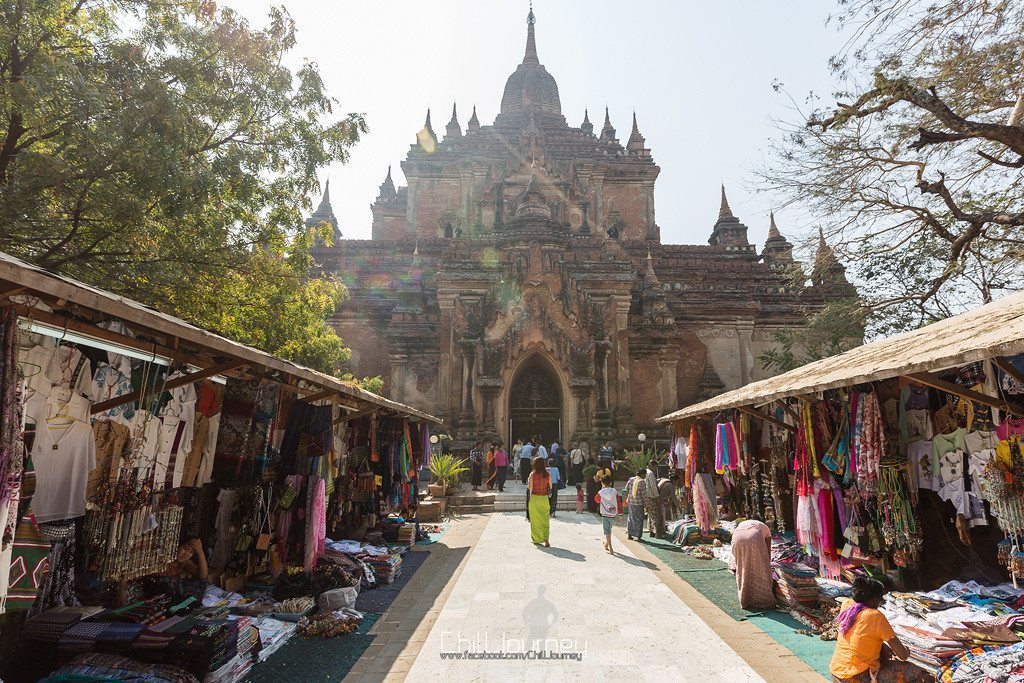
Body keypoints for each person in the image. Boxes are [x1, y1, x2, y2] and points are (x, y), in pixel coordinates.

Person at [830, 577, 926, 682]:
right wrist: (906, 651)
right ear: (874, 599)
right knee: (918, 673)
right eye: (880, 600)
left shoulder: (847, 605)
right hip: (856, 676)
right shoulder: (875, 616)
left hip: (837, 673)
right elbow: (902, 655)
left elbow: (860, 634)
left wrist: (882, 645)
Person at [731, 519, 775, 610]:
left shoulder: (744, 524)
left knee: (742, 566)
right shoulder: (767, 531)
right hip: (754, 536)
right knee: (761, 567)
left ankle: (745, 599)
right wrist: (767, 565)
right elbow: (767, 553)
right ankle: (764, 600)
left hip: (736, 536)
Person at [527, 456, 552, 546]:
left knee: (535, 520)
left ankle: (536, 539)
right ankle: (546, 539)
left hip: (535, 498)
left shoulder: (532, 474)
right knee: (545, 519)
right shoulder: (548, 474)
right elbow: (551, 487)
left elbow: (530, 488)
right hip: (544, 499)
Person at [595, 476, 622, 554]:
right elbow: (619, 503)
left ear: (602, 483)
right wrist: (620, 514)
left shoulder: (601, 492)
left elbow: (596, 500)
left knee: (607, 531)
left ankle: (611, 548)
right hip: (613, 514)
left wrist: (602, 490)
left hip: (605, 514)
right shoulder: (614, 492)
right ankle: (606, 544)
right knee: (609, 531)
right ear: (610, 483)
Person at [624, 467, 648, 540]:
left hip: (631, 501)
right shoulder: (642, 482)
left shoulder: (631, 479)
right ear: (643, 474)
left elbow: (626, 489)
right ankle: (638, 536)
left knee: (631, 517)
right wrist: (647, 504)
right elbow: (644, 495)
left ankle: (630, 534)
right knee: (639, 519)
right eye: (645, 474)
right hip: (639, 503)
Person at [645, 465, 664, 537]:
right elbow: (653, 486)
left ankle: (651, 532)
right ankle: (657, 533)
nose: (656, 469)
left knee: (650, 514)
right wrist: (657, 496)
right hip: (652, 496)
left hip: (647, 496)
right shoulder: (650, 473)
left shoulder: (646, 472)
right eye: (655, 467)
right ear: (653, 466)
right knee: (656, 514)